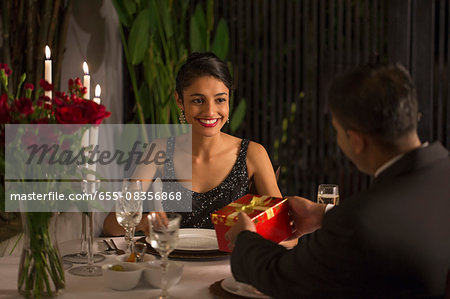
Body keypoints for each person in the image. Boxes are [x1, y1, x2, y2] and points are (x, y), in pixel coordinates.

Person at [225, 64, 450, 298]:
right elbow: (405, 221)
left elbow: (283, 278)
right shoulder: (440, 174)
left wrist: (244, 239)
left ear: (356, 141)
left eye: (337, 131)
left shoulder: (358, 222)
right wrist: (324, 214)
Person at [103, 52, 281, 235]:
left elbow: (288, 236)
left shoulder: (253, 153)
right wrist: (143, 221)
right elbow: (111, 226)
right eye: (198, 100)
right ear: (180, 101)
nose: (210, 111)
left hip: (232, 263)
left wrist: (252, 229)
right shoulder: (160, 150)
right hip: (173, 261)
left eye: (220, 100)